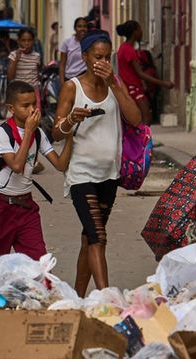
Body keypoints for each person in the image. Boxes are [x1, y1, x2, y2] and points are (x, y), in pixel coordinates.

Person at [53, 31, 141, 295]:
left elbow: (135, 119)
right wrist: (72, 119)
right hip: (81, 175)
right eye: (97, 57)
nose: (102, 62)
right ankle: (107, 296)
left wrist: (114, 83)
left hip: (109, 174)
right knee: (98, 238)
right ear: (85, 57)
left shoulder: (115, 84)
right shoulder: (73, 87)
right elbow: (57, 131)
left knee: (88, 239)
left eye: (107, 57)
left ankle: (78, 298)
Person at [0, 81, 75, 300]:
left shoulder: (38, 134)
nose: (31, 110)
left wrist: (71, 136)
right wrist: (28, 131)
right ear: (11, 108)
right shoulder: (3, 133)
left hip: (25, 208)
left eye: (33, 105)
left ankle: (46, 299)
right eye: (25, 106)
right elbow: (17, 166)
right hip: (0, 206)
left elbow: (60, 164)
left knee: (40, 261)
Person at [116, 20, 174, 125]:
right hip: (133, 88)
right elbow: (141, 74)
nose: (142, 32)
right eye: (140, 29)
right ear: (135, 32)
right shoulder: (129, 50)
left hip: (130, 87)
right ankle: (143, 141)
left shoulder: (123, 48)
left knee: (141, 117)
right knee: (146, 117)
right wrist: (163, 83)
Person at [58, 17, 88, 90]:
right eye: (79, 26)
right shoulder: (67, 43)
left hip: (84, 78)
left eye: (84, 26)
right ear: (75, 28)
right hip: (69, 78)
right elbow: (62, 64)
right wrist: (62, 83)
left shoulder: (90, 43)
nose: (82, 29)